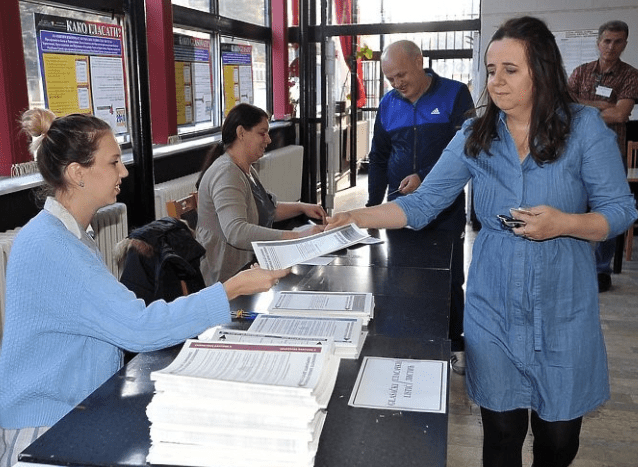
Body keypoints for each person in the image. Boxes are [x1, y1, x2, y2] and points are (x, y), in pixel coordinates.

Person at [327, 16, 637, 467]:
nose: (496, 81)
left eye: (510, 70)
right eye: (491, 70)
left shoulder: (584, 128)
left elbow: (621, 209)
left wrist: (565, 223)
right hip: (495, 303)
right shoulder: (476, 134)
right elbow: (423, 203)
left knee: (559, 439)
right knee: (502, 432)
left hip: (563, 305)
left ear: (542, 71)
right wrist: (351, 216)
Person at [0, 109, 288, 467]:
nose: (123, 171)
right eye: (114, 162)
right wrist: (228, 289)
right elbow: (138, 327)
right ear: (77, 173)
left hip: (79, 407)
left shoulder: (65, 234)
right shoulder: (50, 245)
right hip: (47, 430)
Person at [366, 40, 475, 374]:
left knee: (448, 279)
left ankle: (454, 343)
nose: (396, 83)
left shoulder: (455, 94)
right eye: (390, 78)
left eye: (400, 74)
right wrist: (372, 206)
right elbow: (379, 156)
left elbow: (469, 148)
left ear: (419, 62)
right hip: (399, 209)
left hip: (445, 210)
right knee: (400, 277)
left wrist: (426, 177)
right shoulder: (388, 104)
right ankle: (410, 339)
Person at [195, 103, 326, 285]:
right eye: (262, 133)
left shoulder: (245, 168)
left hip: (245, 267)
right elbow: (236, 232)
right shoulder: (227, 173)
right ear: (241, 133)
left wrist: (303, 207)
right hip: (227, 279)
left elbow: (266, 209)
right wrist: (296, 238)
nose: (269, 140)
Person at [568, 20, 638, 292]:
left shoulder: (631, 75)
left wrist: (582, 106)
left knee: (609, 212)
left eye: (617, 41)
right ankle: (576, 265)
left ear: (625, 44)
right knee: (573, 207)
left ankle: (600, 268)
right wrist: (599, 105)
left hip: (611, 154)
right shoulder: (581, 72)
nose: (611, 46)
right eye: (607, 41)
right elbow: (565, 104)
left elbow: (620, 114)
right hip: (576, 152)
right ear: (598, 42)